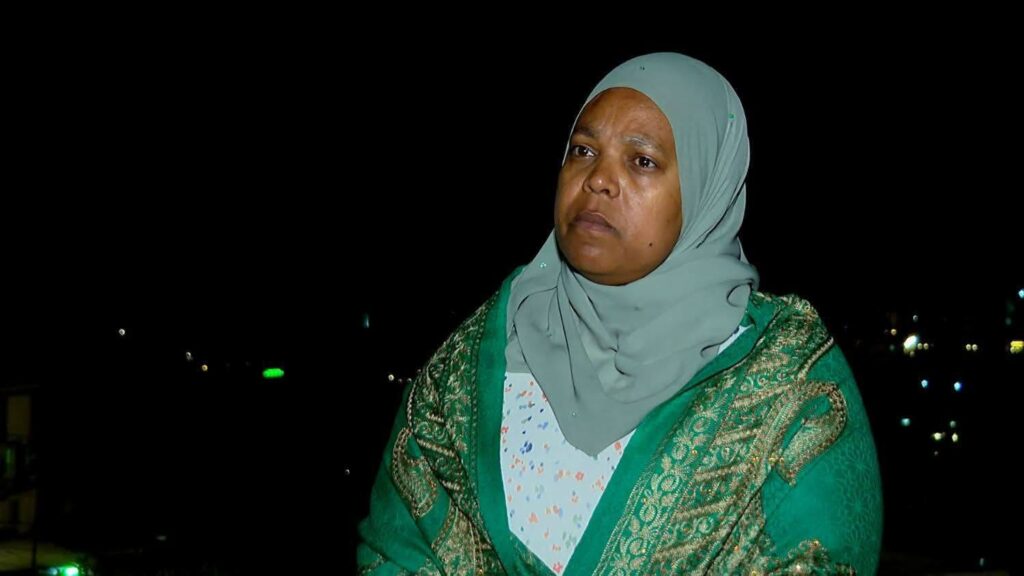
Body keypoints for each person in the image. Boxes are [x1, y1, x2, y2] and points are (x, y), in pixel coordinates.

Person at [357, 52, 882, 575]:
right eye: (582, 151)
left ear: (706, 187)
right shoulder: (475, 363)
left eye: (642, 161)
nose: (598, 180)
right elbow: (397, 548)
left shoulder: (787, 381)